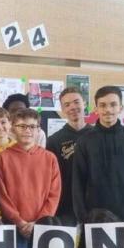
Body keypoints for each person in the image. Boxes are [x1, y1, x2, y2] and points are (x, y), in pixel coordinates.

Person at [72, 86, 124, 236]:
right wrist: (82, 217)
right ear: (96, 109)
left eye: (113, 104)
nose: (108, 109)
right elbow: (77, 182)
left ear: (121, 107)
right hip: (92, 219)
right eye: (103, 105)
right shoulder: (85, 141)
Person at [0, 108, 61, 248]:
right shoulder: (3, 158)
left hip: (43, 226)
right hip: (14, 226)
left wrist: (39, 221)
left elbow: (54, 194)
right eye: (22, 126)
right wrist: (20, 222)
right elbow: (0, 194)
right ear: (13, 128)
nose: (27, 130)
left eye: (32, 126)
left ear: (38, 130)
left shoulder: (50, 158)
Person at [46, 87, 93, 225]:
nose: (72, 107)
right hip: (66, 208)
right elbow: (52, 179)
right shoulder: (54, 141)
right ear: (62, 109)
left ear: (84, 103)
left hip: (95, 205)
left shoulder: (98, 136)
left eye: (76, 102)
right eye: (67, 105)